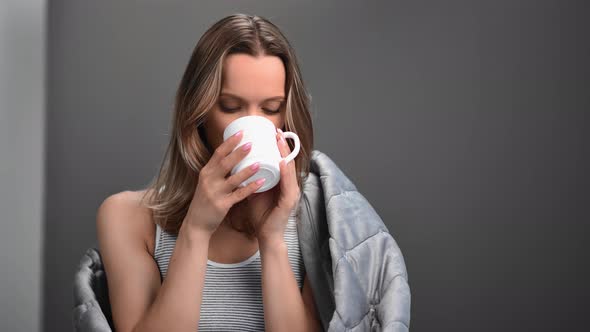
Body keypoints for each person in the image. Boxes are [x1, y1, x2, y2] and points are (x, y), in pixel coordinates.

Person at [96, 13, 321, 332]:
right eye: (231, 106)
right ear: (198, 112)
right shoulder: (127, 216)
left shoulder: (317, 215)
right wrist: (196, 230)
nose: (254, 122)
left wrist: (271, 239)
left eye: (271, 109)